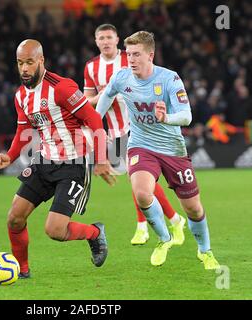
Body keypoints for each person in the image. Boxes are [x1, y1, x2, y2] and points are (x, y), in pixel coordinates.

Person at [0, 39, 115, 278]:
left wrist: (102, 158)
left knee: (54, 230)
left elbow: (93, 119)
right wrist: (9, 157)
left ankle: (95, 233)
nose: (24, 68)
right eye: (20, 63)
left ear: (41, 60)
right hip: (44, 162)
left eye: (29, 62)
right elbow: (24, 131)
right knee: (14, 218)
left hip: (73, 164)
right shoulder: (21, 95)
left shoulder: (61, 87)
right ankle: (22, 272)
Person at [96, 31, 220, 269]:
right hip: (141, 146)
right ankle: (165, 239)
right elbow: (107, 96)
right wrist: (94, 121)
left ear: (150, 55)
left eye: (137, 54)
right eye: (128, 54)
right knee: (142, 193)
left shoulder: (169, 79)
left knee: (193, 208)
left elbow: (187, 116)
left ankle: (205, 251)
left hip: (173, 149)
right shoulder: (122, 77)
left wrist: (166, 118)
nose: (131, 59)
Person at [84, 24, 185, 246]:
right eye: (101, 38)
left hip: (135, 128)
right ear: (96, 41)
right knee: (139, 180)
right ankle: (175, 219)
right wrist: (104, 97)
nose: (105, 41)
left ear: (117, 39)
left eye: (109, 37)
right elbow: (87, 101)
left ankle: (143, 227)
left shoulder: (129, 59)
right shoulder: (91, 67)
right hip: (112, 130)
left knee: (136, 176)